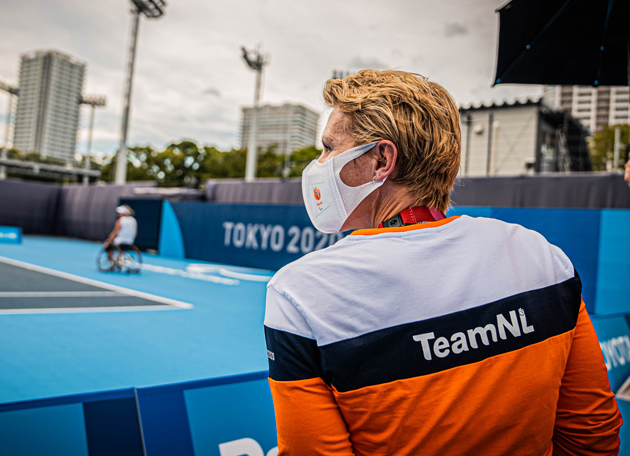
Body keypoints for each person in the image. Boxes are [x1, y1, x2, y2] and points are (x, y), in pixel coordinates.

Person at [264, 69, 621, 455]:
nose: (319, 163)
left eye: (329, 147)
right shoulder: (543, 257)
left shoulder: (301, 292)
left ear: (382, 160)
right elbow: (592, 437)